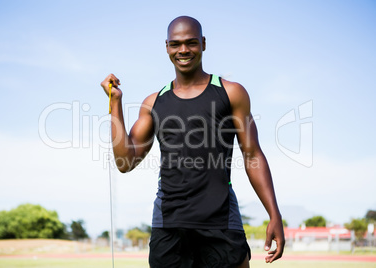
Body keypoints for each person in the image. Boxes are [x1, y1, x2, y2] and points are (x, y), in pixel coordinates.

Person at [101, 16, 285, 268]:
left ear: (203, 43)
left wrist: (274, 214)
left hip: (220, 221)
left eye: (191, 43)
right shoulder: (154, 103)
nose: (183, 50)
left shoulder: (231, 92)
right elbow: (125, 161)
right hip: (169, 225)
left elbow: (252, 155)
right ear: (167, 47)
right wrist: (115, 104)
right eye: (175, 44)